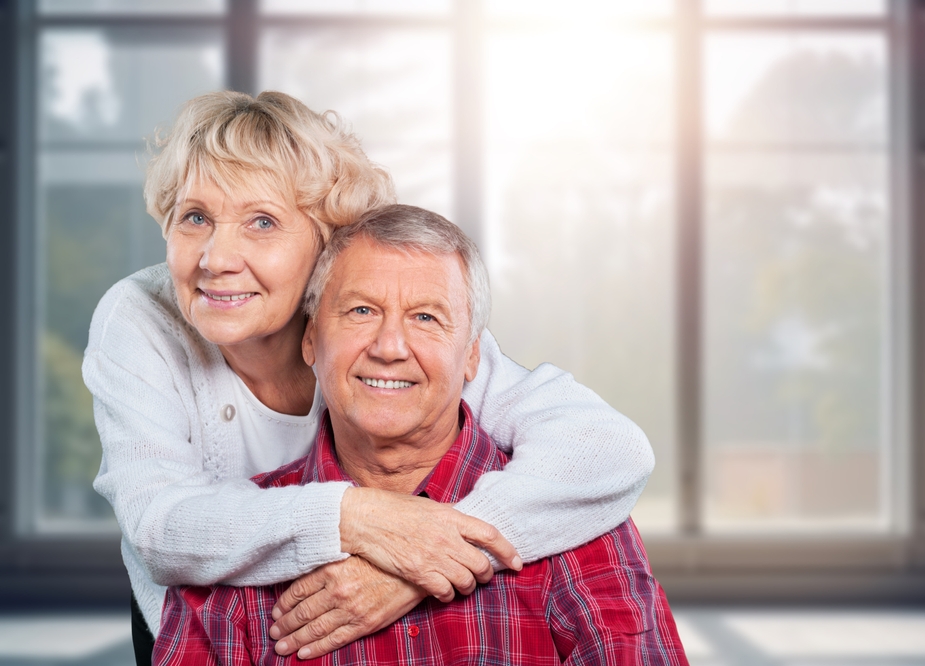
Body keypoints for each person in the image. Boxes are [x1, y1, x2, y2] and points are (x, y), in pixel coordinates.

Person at [82, 91, 655, 664]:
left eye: (262, 222)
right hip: (199, 612)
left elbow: (611, 450)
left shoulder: (385, 331)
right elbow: (159, 529)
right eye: (195, 217)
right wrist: (359, 519)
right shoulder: (139, 317)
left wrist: (424, 556)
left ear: (325, 240)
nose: (215, 257)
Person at [153, 204, 688, 666]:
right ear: (312, 340)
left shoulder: (576, 521)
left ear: (474, 354)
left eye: (426, 318)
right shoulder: (225, 564)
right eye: (362, 311)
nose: (390, 345)